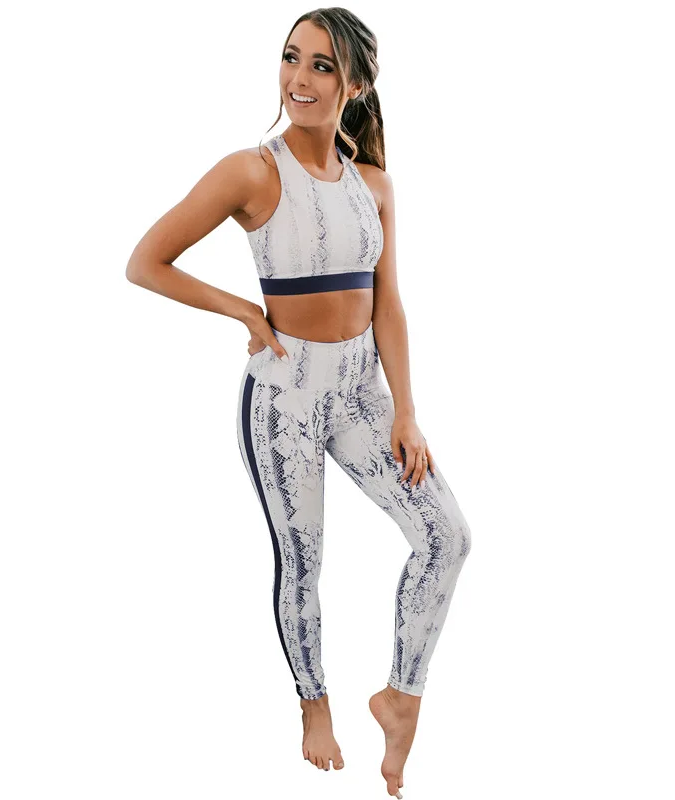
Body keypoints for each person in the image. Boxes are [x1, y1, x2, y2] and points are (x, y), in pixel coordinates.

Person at [126, 9, 472, 798]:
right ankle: (314, 704)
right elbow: (146, 262)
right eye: (291, 58)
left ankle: (401, 698)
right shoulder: (251, 171)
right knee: (304, 559)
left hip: (360, 393)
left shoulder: (373, 185)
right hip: (283, 394)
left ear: (356, 85)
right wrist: (244, 313)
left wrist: (406, 411)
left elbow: (389, 306)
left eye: (322, 65)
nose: (300, 78)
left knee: (446, 536)